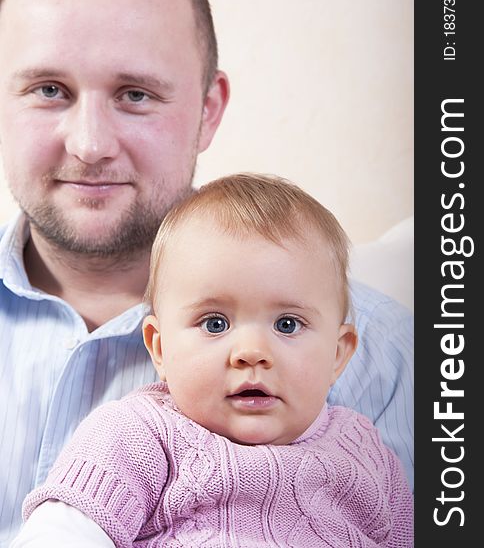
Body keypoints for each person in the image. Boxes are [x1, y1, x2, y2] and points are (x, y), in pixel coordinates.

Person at [0, 0, 413, 544]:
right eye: (47, 89)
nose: (90, 144)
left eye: (136, 94)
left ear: (208, 108)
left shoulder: (388, 358)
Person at [12, 173, 413, 547]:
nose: (252, 352)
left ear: (338, 354)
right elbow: (61, 533)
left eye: (288, 325)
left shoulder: (368, 453)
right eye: (216, 323)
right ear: (160, 347)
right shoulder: (138, 434)